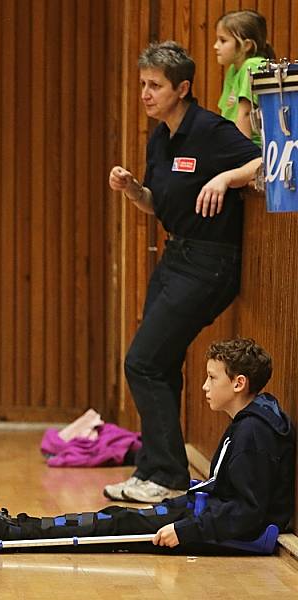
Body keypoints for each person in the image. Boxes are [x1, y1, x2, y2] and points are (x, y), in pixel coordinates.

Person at [106, 41, 262, 504]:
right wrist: (135, 190)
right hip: (176, 256)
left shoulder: (210, 130)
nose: (146, 94)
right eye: (143, 85)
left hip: (210, 262)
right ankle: (156, 470)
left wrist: (225, 178)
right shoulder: (160, 136)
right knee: (160, 364)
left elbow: (263, 159)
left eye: (155, 86)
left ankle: (168, 475)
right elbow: (159, 202)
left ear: (183, 88)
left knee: (141, 361)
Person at [0, 338, 295, 551]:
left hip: (224, 532)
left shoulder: (253, 433)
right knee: (116, 516)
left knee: (114, 524)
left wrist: (186, 530)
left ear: (239, 383)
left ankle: (5, 531)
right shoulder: (251, 423)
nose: (205, 386)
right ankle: (15, 525)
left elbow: (247, 513)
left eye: (212, 377)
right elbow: (234, 494)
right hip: (207, 514)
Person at [214, 9, 275, 145]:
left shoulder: (253, 65)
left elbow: (246, 114)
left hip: (253, 150)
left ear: (246, 45)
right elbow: (227, 114)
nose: (215, 46)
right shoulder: (233, 69)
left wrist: (238, 153)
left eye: (223, 41)